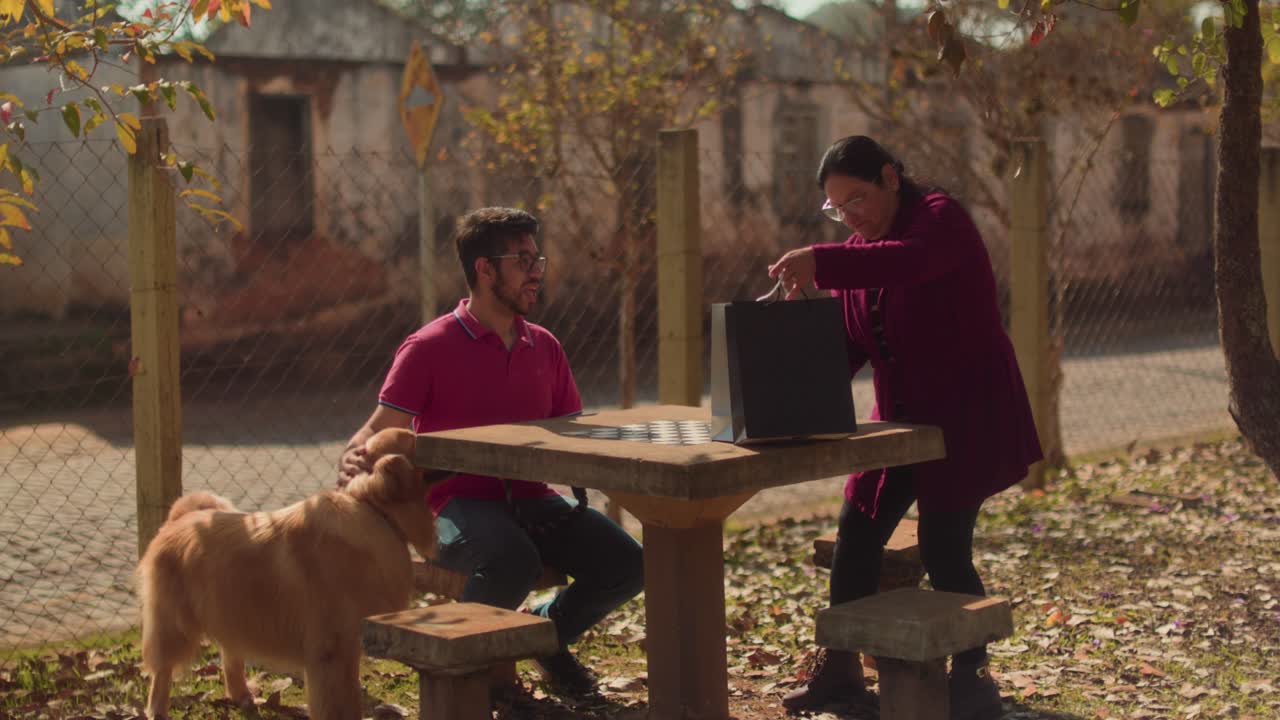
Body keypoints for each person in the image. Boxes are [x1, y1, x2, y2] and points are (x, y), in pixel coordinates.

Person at [767, 136, 1042, 720]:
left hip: (966, 414)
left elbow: (911, 262)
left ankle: (972, 678)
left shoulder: (940, 221)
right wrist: (787, 391)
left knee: (946, 547)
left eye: (858, 198)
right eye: (837, 208)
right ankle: (840, 669)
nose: (851, 216)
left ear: (892, 177)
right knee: (857, 533)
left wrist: (823, 258)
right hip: (898, 422)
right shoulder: (859, 254)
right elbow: (851, 346)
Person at [337, 207, 645, 697]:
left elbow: (573, 432)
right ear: (485, 269)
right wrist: (355, 455)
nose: (537, 271)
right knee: (511, 560)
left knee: (628, 564)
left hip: (535, 500)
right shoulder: (428, 346)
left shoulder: (545, 346)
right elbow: (377, 428)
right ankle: (471, 676)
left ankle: (542, 635)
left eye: (536, 258)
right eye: (523, 260)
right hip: (457, 504)